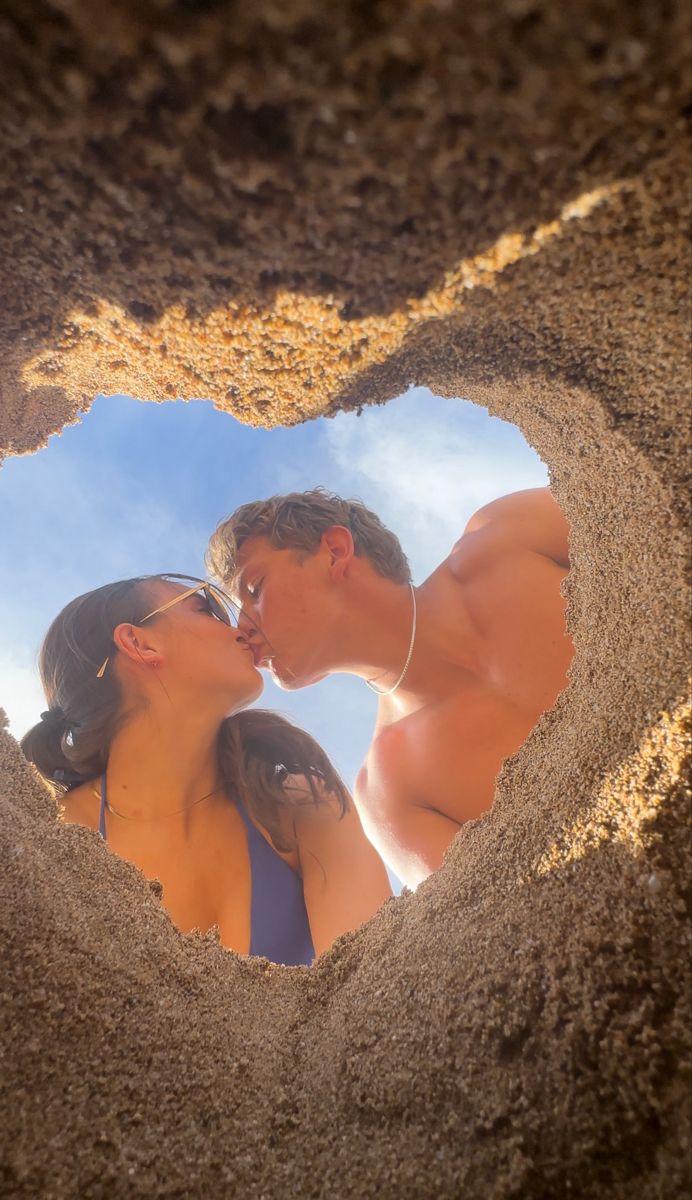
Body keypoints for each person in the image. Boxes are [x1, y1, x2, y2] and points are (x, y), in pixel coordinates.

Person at [206, 487, 574, 890]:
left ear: (334, 550)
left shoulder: (508, 537)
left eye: (254, 589)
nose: (240, 628)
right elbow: (508, 919)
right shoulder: (390, 792)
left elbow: (643, 505)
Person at [21, 573, 391, 964]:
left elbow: (373, 986)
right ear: (139, 643)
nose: (242, 630)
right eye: (206, 608)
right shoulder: (52, 838)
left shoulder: (299, 806)